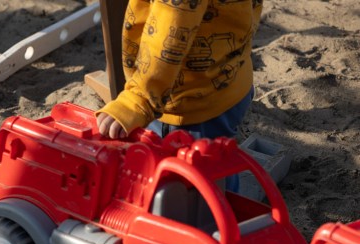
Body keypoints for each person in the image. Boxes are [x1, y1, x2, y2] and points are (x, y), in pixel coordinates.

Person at [96, 0, 262, 143]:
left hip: (187, 103)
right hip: (231, 77)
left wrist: (138, 100)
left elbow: (170, 33)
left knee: (196, 172)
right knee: (219, 159)